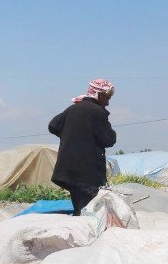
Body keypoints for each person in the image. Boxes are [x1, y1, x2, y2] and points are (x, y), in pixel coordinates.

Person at [48, 79, 117, 216]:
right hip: (87, 172)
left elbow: (53, 125)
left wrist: (72, 136)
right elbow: (108, 139)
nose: (108, 102)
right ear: (99, 95)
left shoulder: (73, 109)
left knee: (79, 206)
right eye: (107, 98)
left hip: (68, 170)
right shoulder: (97, 112)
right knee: (89, 212)